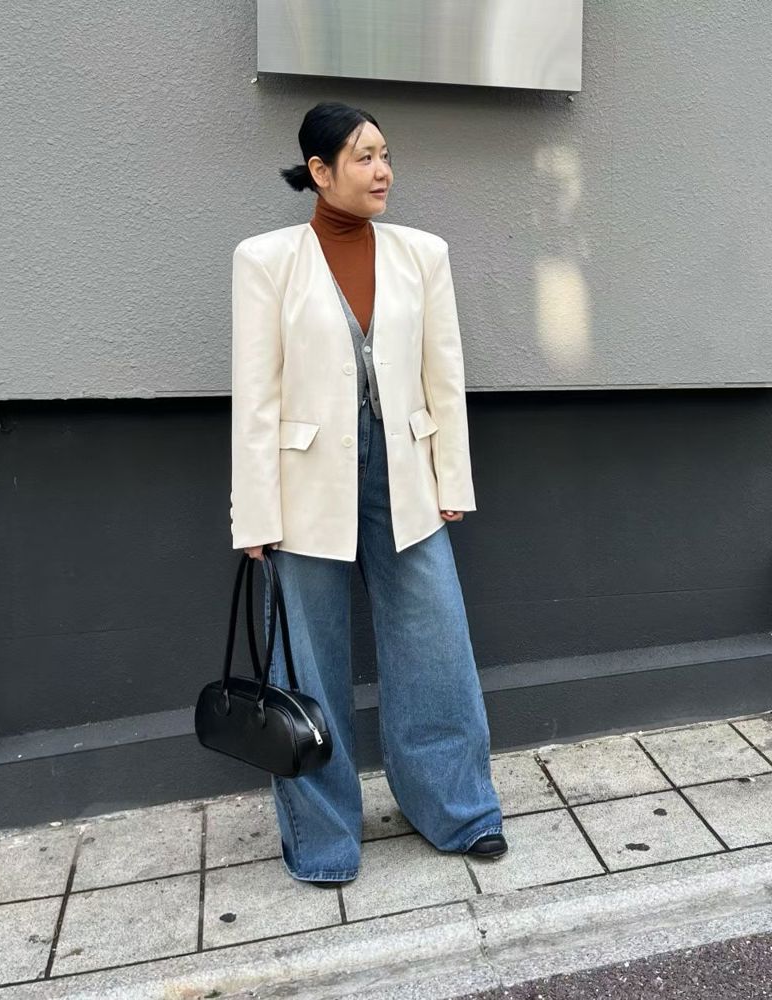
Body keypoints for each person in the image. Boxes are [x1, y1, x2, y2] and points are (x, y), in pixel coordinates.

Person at [230, 101, 507, 887]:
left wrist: (451, 477)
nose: (383, 170)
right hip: (303, 481)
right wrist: (255, 512)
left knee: (434, 645)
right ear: (320, 171)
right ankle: (322, 839)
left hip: (406, 472)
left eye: (385, 154)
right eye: (363, 157)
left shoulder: (423, 253)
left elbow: (443, 373)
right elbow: (256, 395)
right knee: (307, 661)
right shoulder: (265, 259)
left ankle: (459, 810)